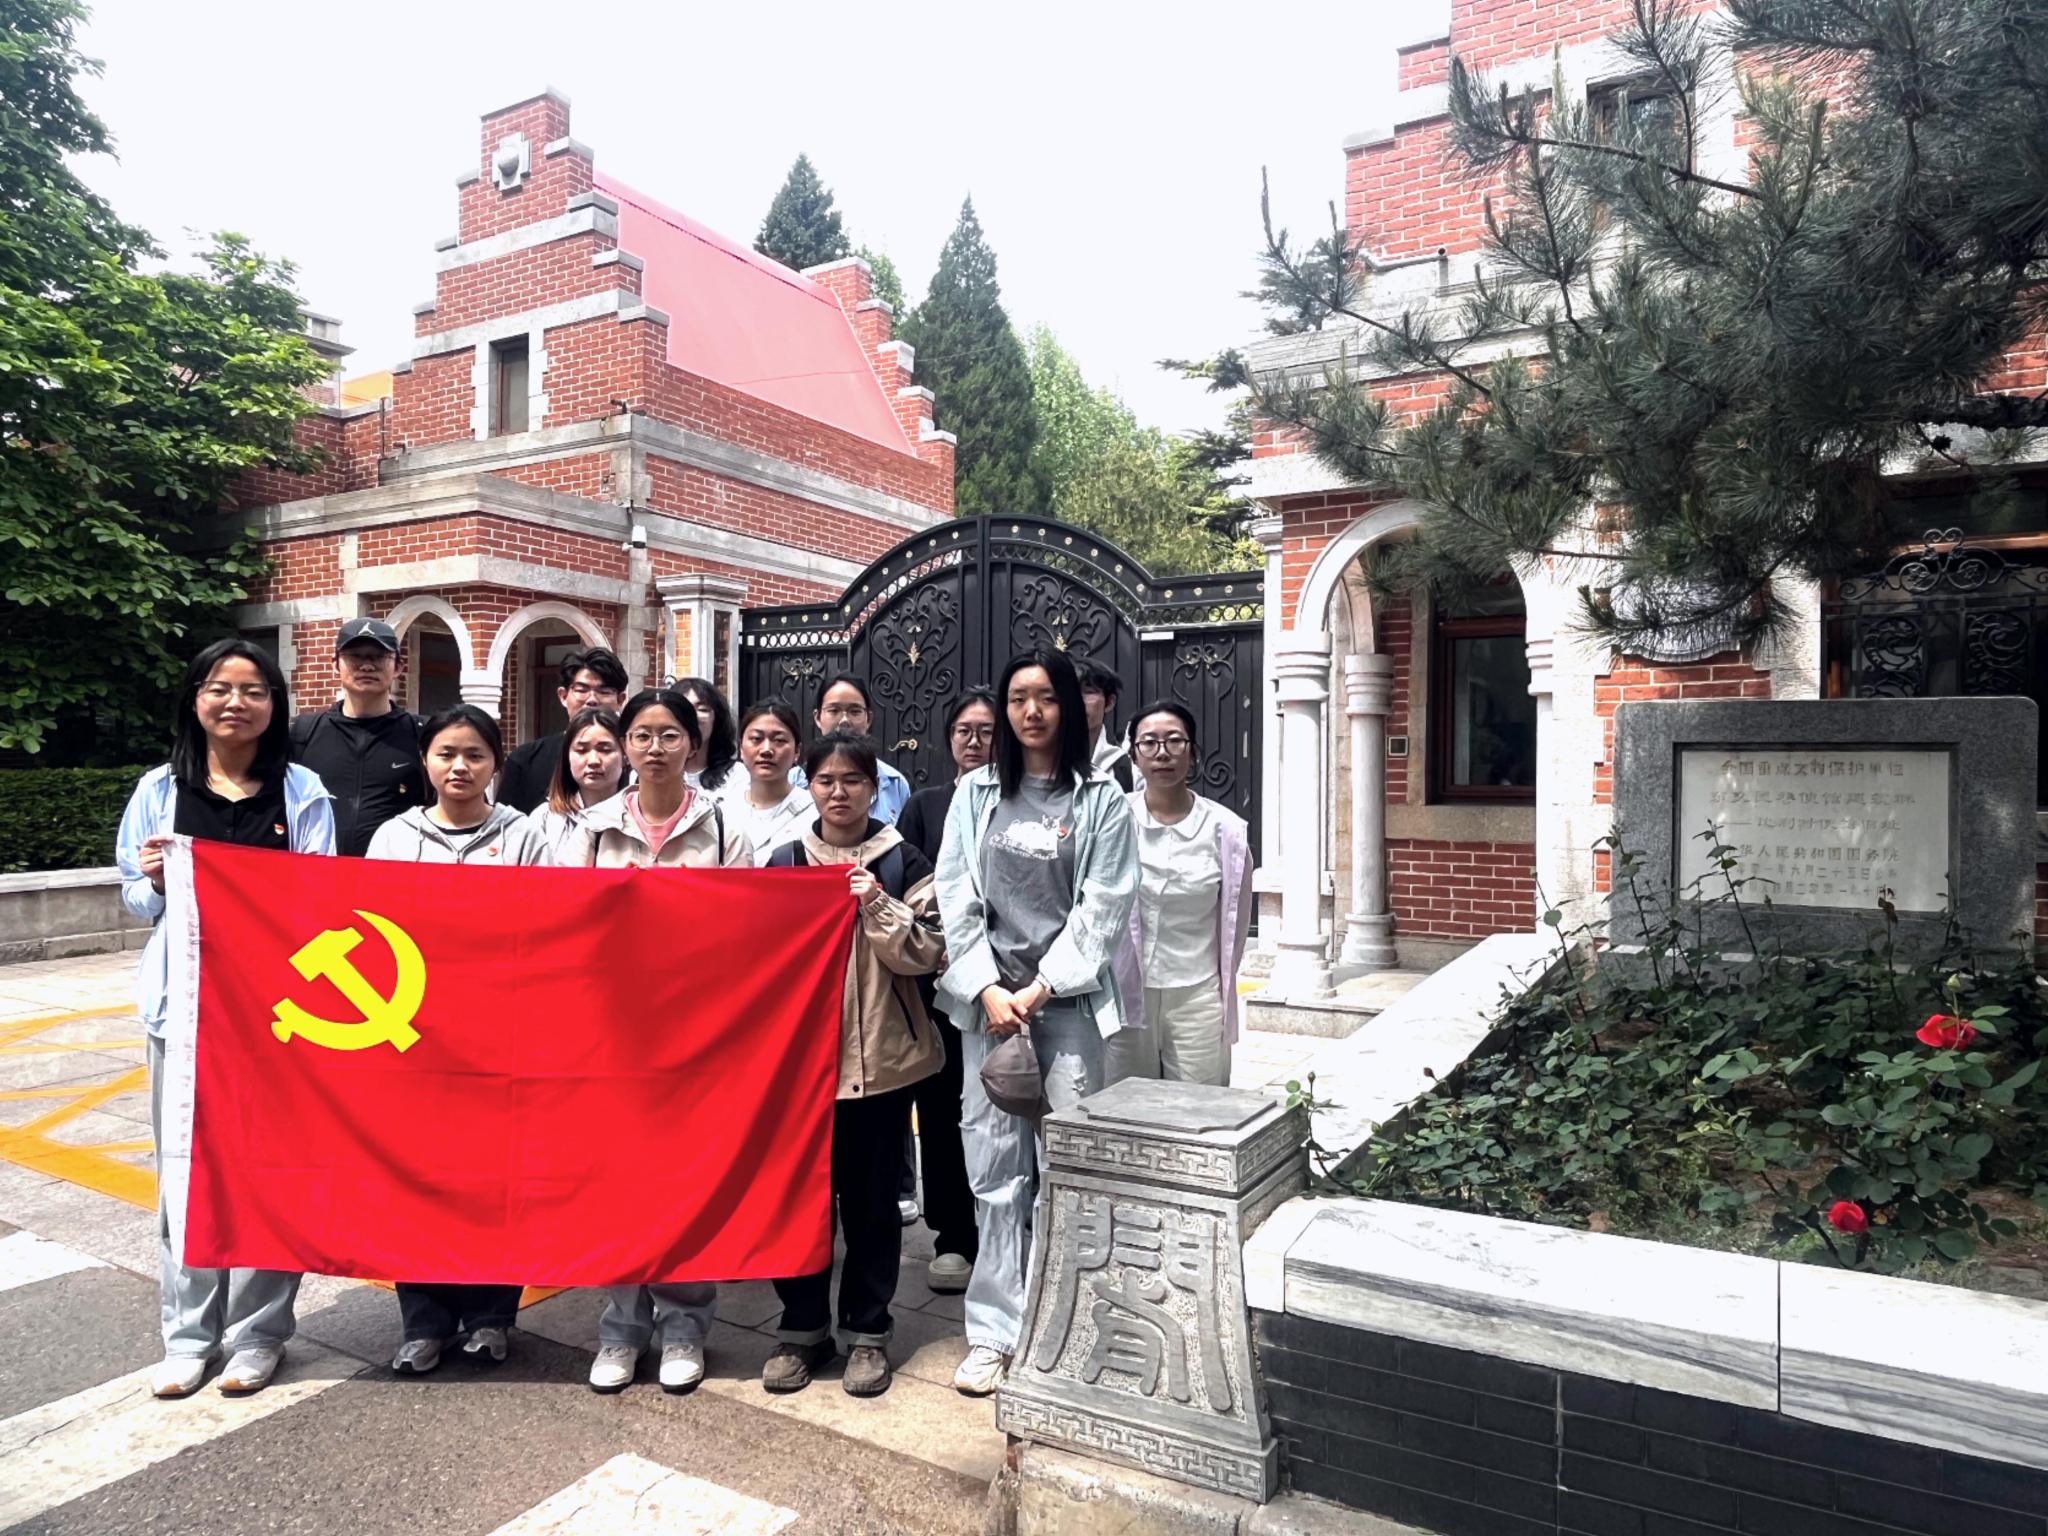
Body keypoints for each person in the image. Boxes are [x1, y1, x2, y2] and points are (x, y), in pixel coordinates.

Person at [117, 638, 336, 1399]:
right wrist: (155, 881)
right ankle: (188, 1339)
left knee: (273, 1173)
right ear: (196, 699)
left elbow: (319, 899)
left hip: (277, 1017)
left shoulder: (302, 791)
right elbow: (133, 897)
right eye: (219, 688)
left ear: (275, 705)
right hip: (182, 1012)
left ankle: (259, 1336)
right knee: (184, 1175)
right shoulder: (159, 790)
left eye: (253, 690)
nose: (235, 703)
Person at [933, 649, 1139, 1397]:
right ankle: (995, 1331)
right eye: (1017, 697)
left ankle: (1062, 1326)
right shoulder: (976, 793)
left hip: (1067, 1010)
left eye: (1045, 697)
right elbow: (955, 893)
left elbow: (1105, 904)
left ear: (1068, 707)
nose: (1031, 711)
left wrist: (1043, 987)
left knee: (1066, 1169)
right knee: (995, 1174)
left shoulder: (1101, 799)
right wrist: (989, 989)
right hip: (988, 1013)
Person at [563, 687, 752, 1394]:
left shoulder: (725, 827)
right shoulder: (591, 828)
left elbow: (750, 926)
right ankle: (620, 1328)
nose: (655, 748)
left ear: (691, 744)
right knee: (616, 1180)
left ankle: (683, 1325)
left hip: (694, 1033)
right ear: (625, 745)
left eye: (670, 734)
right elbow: (564, 923)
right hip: (612, 1032)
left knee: (684, 1179)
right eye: (641, 735)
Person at [365, 705, 552, 1375]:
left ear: (496, 762)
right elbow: (374, 928)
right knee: (418, 1177)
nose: (460, 767)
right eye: (446, 753)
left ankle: (491, 1316)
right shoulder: (394, 837)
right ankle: (423, 1321)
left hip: (503, 1034)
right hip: (414, 1035)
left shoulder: (525, 835)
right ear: (425, 761)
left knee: (497, 1177)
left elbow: (548, 924)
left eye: (475, 754)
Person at [760, 732, 944, 1397]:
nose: (839, 793)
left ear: (874, 787)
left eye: (853, 780)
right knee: (800, 1204)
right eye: (826, 780)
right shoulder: (785, 862)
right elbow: (757, 959)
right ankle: (802, 1328)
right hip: (802, 1069)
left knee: (871, 1207)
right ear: (808, 785)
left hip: (885, 1065)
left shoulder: (903, 859)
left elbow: (930, 952)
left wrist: (875, 903)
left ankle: (868, 1332)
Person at [892, 687, 997, 1294]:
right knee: (940, 1108)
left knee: (1005, 1105)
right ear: (949, 738)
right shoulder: (926, 805)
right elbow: (905, 886)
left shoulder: (1019, 804)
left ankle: (1008, 1229)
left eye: (986, 731)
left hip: (1006, 985)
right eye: (964, 730)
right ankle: (953, 1235)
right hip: (939, 985)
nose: (975, 741)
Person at [1105, 702, 1256, 1088]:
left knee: (1196, 1106)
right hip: (1123, 992)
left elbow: (1236, 923)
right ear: (1133, 755)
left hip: (1197, 993)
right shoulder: (1112, 821)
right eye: (1149, 742)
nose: (1162, 753)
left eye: (1174, 740)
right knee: (1121, 1104)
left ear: (1194, 752)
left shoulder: (1225, 831)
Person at [288, 617, 428, 857]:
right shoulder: (305, 733)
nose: (367, 666)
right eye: (355, 656)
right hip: (320, 870)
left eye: (378, 657)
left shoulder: (422, 734)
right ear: (335, 665)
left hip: (395, 871)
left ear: (398, 667)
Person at [495, 647, 629, 814]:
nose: (592, 700)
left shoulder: (637, 758)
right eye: (581, 690)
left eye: (604, 691)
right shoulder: (526, 759)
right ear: (563, 696)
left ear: (621, 700)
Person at [794, 674, 911, 824]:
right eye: (834, 711)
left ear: (869, 718)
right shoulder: (793, 782)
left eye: (854, 711)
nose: (844, 721)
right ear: (818, 718)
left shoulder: (895, 784)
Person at [525, 707, 627, 863]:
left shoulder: (640, 818)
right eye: (581, 750)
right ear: (567, 757)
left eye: (605, 750)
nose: (593, 761)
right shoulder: (544, 819)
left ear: (625, 755)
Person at [720, 697, 808, 859]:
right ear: (741, 748)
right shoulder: (723, 812)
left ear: (797, 751)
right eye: (756, 739)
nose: (766, 750)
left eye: (779, 740)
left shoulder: (814, 812)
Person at [675, 676, 740, 795]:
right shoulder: (650, 774)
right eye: (684, 708)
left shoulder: (737, 776)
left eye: (702, 709)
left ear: (716, 720)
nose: (693, 716)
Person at [1078, 659, 1134, 792]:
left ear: (1109, 703)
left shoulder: (1125, 766)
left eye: (1089, 692)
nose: (1077, 701)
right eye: (1071, 692)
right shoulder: (1041, 760)